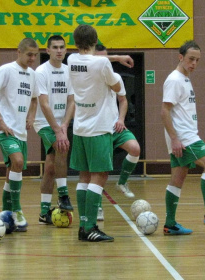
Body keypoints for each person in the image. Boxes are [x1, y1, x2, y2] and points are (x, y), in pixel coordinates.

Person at [160, 40, 205, 235]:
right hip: (183, 136)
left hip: (184, 135)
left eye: (197, 60)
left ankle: (170, 224)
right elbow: (164, 111)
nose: (194, 64)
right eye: (191, 59)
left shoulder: (185, 78)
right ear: (180, 57)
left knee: (177, 179)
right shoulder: (174, 79)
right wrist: (174, 138)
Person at [68, 25, 123, 242]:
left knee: (84, 176)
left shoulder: (71, 60)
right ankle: (91, 226)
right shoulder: (102, 63)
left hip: (80, 126)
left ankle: (83, 225)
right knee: (100, 176)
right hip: (99, 126)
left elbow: (91, 61)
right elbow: (118, 87)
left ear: (75, 42)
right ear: (96, 40)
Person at [0, 38, 38, 232]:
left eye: (35, 55)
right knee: (18, 161)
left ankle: (6, 212)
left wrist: (31, 117)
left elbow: (34, 99)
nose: (32, 58)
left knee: (13, 171)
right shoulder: (6, 70)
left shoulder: (32, 75)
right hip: (5, 130)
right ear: (19, 52)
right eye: (29, 54)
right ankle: (16, 210)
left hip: (21, 132)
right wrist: (1, 120)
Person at [94, 44, 140, 222]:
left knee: (135, 148)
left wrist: (121, 119)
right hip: (98, 129)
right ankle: (97, 205)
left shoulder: (116, 78)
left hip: (115, 127)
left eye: (106, 59)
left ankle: (122, 181)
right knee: (100, 171)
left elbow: (123, 101)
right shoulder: (89, 78)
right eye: (100, 59)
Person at [33, 35, 75, 225]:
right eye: (55, 47)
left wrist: (65, 125)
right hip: (44, 122)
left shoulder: (69, 71)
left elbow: (72, 101)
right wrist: (58, 130)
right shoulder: (41, 71)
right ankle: (63, 196)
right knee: (62, 147)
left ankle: (43, 213)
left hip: (62, 123)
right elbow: (44, 104)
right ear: (47, 50)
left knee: (50, 167)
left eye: (62, 47)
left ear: (66, 50)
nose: (59, 50)